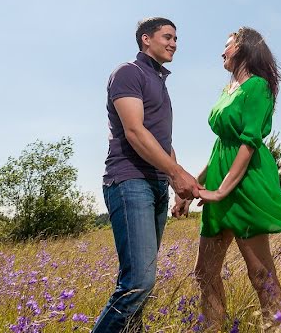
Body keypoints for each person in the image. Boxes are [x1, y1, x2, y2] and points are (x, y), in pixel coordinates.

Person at [185, 27, 281, 329]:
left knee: (260, 274)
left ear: (243, 48)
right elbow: (222, 144)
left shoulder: (258, 87)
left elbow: (248, 143)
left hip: (246, 183)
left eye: (227, 46)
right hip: (220, 177)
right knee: (205, 272)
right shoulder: (227, 89)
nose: (222, 52)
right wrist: (195, 184)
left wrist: (220, 192)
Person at [92, 17, 201, 333]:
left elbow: (162, 142)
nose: (174, 43)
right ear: (145, 39)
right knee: (138, 283)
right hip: (129, 182)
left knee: (138, 285)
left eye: (176, 39)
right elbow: (136, 132)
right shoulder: (129, 73)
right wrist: (177, 174)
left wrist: (176, 186)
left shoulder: (160, 83)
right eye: (167, 36)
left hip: (155, 185)